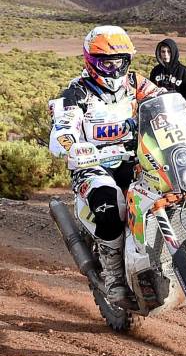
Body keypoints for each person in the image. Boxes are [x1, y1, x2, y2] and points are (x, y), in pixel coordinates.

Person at [49, 25, 163, 306]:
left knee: (169, 189)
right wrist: (70, 145)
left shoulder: (136, 83)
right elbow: (63, 127)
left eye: (119, 62)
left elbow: (164, 101)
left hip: (134, 158)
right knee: (112, 206)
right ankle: (113, 278)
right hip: (92, 164)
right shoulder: (76, 92)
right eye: (106, 63)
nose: (114, 69)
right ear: (91, 61)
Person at [149, 38, 186, 108]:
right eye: (163, 51)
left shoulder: (182, 71)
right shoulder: (156, 71)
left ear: (174, 52)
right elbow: (150, 90)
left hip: (177, 109)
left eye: (169, 51)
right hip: (159, 109)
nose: (166, 55)